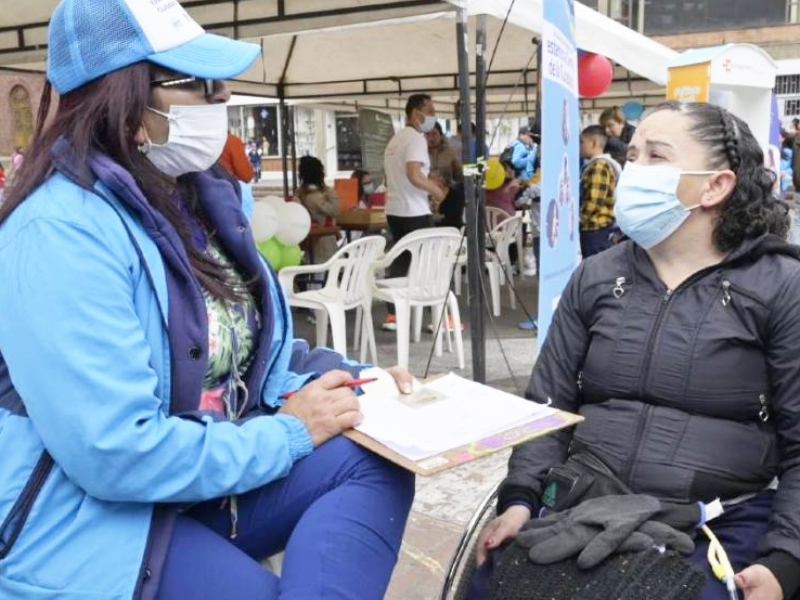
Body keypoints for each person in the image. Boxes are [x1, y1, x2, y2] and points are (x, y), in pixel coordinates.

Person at [0, 2, 417, 599]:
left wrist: (354, 380)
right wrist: (290, 436)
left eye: (222, 86)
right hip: (89, 515)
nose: (223, 101)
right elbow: (115, 452)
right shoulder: (56, 233)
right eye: (201, 85)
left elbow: (256, 351)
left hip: (202, 472)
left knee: (375, 461)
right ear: (126, 99)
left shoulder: (195, 203)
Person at [472, 101, 800, 600]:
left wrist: (785, 561)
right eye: (635, 153)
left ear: (716, 185)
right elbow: (547, 406)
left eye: (656, 157)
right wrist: (520, 498)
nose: (633, 170)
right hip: (582, 502)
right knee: (497, 583)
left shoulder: (780, 286)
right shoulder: (596, 276)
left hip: (715, 517)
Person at [382, 93, 447, 331]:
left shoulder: (395, 140)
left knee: (400, 261)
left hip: (395, 209)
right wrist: (438, 192)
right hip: (414, 211)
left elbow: (395, 176)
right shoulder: (416, 139)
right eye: (430, 111)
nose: (433, 116)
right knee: (429, 264)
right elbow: (414, 175)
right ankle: (437, 318)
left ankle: (393, 315)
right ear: (415, 113)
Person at [578, 125, 621, 257]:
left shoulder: (599, 165)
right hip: (598, 228)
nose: (579, 146)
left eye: (582, 142)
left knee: (596, 271)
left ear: (594, 143)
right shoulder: (604, 163)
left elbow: (594, 200)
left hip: (595, 228)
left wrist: (579, 220)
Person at [297, 155, 341, 263]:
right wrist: (331, 193)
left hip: (309, 240)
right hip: (323, 240)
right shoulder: (316, 195)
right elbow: (335, 210)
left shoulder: (300, 193)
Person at [426, 122, 465, 228]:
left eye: (434, 134)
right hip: (426, 197)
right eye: (427, 134)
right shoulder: (420, 152)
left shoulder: (451, 151)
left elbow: (459, 174)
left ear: (441, 134)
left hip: (447, 196)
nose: (431, 138)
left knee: (452, 226)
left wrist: (476, 170)